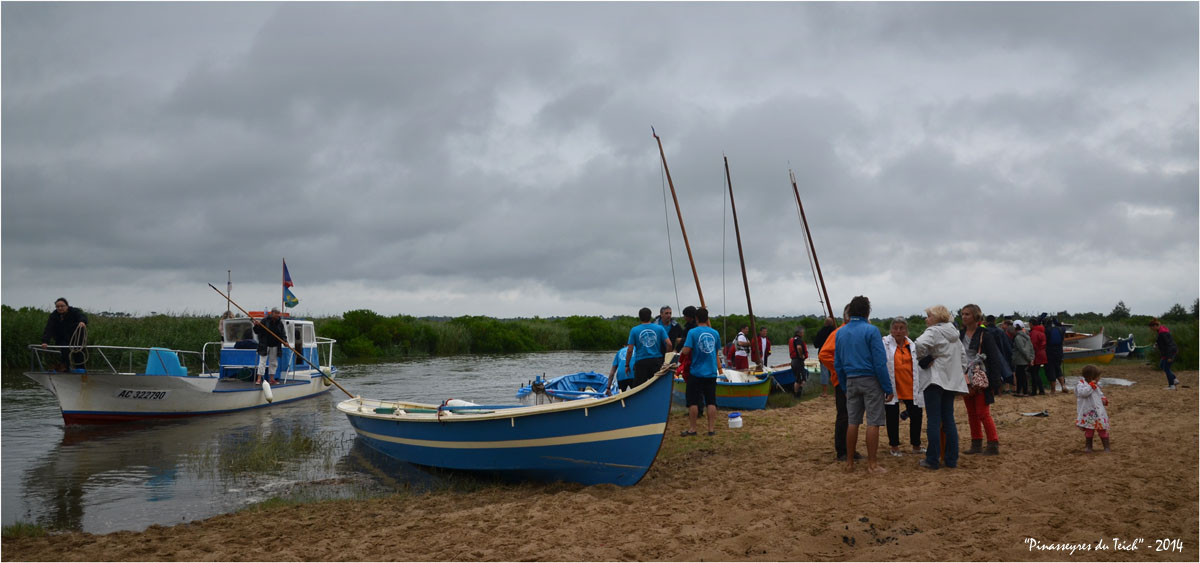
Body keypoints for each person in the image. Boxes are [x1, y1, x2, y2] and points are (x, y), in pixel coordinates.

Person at [834, 296, 893, 474]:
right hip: (870, 380)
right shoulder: (871, 330)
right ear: (867, 312)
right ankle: (872, 464)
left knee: (853, 422)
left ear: (850, 312)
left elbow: (838, 363)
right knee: (873, 422)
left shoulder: (840, 332)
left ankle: (849, 463)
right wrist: (887, 387)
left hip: (850, 379)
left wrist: (844, 385)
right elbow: (879, 362)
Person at [914, 305, 969, 470]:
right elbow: (963, 358)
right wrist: (958, 371)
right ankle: (951, 460)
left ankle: (932, 459)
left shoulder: (933, 331)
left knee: (934, 421)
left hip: (934, 380)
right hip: (951, 381)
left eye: (929, 316)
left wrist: (925, 357)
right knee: (949, 421)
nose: (926, 319)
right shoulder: (955, 334)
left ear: (936, 318)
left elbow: (918, 343)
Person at [959, 304, 1004, 456]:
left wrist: (994, 382)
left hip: (981, 377)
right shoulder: (959, 334)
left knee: (983, 413)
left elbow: (994, 358)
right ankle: (976, 443)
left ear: (975, 316)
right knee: (971, 413)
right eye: (963, 314)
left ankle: (993, 444)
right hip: (965, 378)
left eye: (967, 314)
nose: (964, 317)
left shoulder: (985, 334)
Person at [819, 307, 858, 462]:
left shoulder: (855, 332)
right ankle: (841, 451)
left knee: (854, 416)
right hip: (842, 380)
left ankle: (851, 449)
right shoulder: (837, 333)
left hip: (857, 379)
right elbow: (824, 355)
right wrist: (840, 369)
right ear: (846, 316)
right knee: (844, 415)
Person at [883, 317, 923, 456]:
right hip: (892, 386)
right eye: (895, 328)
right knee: (892, 417)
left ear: (906, 330)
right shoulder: (885, 343)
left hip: (911, 385)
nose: (898, 331)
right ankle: (894, 446)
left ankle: (916, 445)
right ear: (891, 330)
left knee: (917, 415)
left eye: (901, 328)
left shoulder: (912, 345)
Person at [680, 307, 721, 436]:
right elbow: (716, 352)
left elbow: (686, 351)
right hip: (711, 372)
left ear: (696, 318)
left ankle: (693, 429)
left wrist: (680, 355)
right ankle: (711, 429)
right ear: (707, 318)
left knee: (693, 401)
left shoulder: (692, 332)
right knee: (711, 401)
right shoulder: (715, 333)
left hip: (696, 372)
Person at [625, 307, 672, 388]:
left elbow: (630, 350)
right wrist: (666, 359)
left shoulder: (634, 330)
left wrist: (627, 365)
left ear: (639, 317)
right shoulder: (659, 328)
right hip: (656, 361)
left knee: (638, 388)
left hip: (641, 362)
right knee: (657, 386)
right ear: (650, 316)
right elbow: (669, 344)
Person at [41, 297, 88, 370]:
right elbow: (49, 328)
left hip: (77, 339)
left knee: (79, 355)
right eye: (57, 307)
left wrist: (82, 321)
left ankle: (81, 371)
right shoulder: (54, 315)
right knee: (64, 352)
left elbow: (82, 316)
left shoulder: (74, 311)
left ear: (67, 306)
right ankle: (65, 369)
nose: (60, 308)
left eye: (62, 306)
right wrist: (45, 341)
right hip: (62, 339)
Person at [1075, 365, 1111, 452]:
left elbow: (1099, 394)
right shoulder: (1081, 385)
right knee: (1089, 429)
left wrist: (1103, 399)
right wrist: (1091, 386)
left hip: (1098, 412)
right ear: (1092, 377)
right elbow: (1083, 393)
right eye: (1098, 376)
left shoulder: (1095, 385)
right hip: (1088, 412)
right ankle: (1088, 446)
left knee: (1102, 429)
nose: (1099, 378)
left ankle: (1106, 447)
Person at [253, 308, 286, 385]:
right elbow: (257, 331)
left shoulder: (280, 323)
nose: (278, 315)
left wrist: (285, 341)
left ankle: (271, 379)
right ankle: (259, 379)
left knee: (273, 362)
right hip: (264, 345)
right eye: (276, 313)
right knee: (262, 362)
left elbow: (283, 334)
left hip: (275, 345)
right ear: (272, 313)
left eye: (279, 313)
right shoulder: (265, 321)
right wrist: (256, 325)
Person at [1148, 318, 1180, 390]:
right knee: (1162, 365)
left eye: (1151, 327)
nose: (1151, 329)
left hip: (1170, 352)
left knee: (1166, 368)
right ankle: (1174, 379)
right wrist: (1157, 344)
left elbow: (1169, 345)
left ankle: (1172, 385)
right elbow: (1163, 342)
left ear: (1155, 326)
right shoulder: (1161, 331)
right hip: (1167, 352)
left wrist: (1169, 356)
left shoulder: (1162, 333)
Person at [813, 317, 836, 398]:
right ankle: (836, 391)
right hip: (834, 353)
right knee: (835, 372)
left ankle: (825, 392)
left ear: (825, 323)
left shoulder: (821, 332)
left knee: (824, 372)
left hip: (824, 354)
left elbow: (816, 344)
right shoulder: (835, 331)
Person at [1011, 320, 1035, 397]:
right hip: (1025, 359)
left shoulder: (1017, 338)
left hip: (1020, 360)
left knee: (1020, 376)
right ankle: (1023, 391)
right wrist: (1031, 358)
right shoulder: (1027, 337)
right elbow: (1031, 348)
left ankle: (1021, 391)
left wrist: (1029, 359)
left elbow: (1022, 350)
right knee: (1023, 376)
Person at [1044, 318, 1068, 393]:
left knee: (1051, 370)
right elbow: (1062, 326)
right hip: (1059, 352)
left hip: (1049, 352)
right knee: (1058, 368)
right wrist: (1057, 322)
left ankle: (1053, 390)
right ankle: (1063, 386)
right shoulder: (1061, 329)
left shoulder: (1047, 330)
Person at [1029, 317, 1048, 396]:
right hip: (1042, 353)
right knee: (1036, 372)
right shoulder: (1042, 332)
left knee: (1034, 373)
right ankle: (1041, 389)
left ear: (1031, 324)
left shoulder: (1034, 333)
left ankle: (1034, 391)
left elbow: (1033, 345)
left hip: (1036, 354)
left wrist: (1031, 356)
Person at [788, 327, 809, 396]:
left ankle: (797, 394)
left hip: (794, 361)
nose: (803, 334)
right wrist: (801, 356)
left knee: (801, 379)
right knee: (799, 380)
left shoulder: (793, 339)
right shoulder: (798, 340)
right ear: (799, 333)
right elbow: (799, 347)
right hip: (798, 361)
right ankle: (797, 395)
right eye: (802, 332)